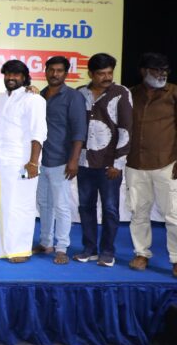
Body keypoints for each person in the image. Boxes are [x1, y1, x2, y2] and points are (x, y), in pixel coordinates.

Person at [74, 53, 132, 267]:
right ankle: (89, 249)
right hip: (84, 163)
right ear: (91, 74)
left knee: (110, 209)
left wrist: (118, 163)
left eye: (110, 73)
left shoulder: (121, 93)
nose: (107, 77)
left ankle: (107, 251)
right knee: (85, 207)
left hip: (109, 165)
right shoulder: (80, 93)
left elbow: (126, 129)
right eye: (101, 73)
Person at [0, 60, 47, 263]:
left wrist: (33, 162)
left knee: (21, 206)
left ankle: (19, 249)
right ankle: (0, 243)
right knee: (2, 204)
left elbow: (38, 133)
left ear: (25, 77)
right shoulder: (4, 98)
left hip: (22, 162)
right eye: (8, 74)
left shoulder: (34, 99)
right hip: (2, 161)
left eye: (16, 74)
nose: (11, 78)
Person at [126, 52, 177, 277]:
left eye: (165, 70)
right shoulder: (130, 94)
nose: (162, 74)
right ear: (143, 71)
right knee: (138, 212)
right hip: (135, 164)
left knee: (173, 215)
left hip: (167, 164)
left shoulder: (173, 93)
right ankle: (141, 253)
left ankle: (176, 259)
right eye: (156, 70)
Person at [33, 56, 87, 265]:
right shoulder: (41, 95)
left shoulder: (73, 97)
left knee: (62, 206)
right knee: (44, 203)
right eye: (51, 70)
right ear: (45, 71)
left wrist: (74, 160)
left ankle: (62, 247)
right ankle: (46, 242)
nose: (55, 74)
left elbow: (79, 131)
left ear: (66, 73)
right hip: (40, 160)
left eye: (59, 70)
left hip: (62, 160)